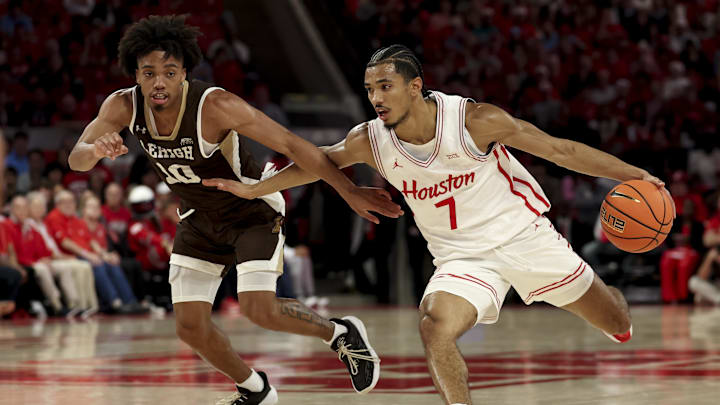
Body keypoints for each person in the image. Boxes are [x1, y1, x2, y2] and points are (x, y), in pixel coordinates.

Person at [205, 44, 673, 405]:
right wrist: (256, 189)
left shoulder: (476, 121)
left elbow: (562, 151)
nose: (375, 98)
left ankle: (610, 302)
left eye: (385, 86)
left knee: (616, 320)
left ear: (415, 86)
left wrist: (634, 175)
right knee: (434, 326)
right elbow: (321, 163)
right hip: (461, 259)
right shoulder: (369, 140)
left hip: (526, 239)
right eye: (370, 89)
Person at [67, 15, 400, 404]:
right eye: (149, 72)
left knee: (258, 309)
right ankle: (254, 388)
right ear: (136, 75)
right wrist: (96, 150)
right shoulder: (123, 105)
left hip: (250, 210)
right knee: (189, 327)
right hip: (197, 217)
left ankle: (339, 333)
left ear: (185, 73)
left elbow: (293, 146)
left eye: (169, 72)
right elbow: (77, 159)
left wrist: (347, 190)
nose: (159, 82)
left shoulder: (216, 105)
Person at [26, 191, 98, 318]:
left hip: (52, 258)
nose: (40, 209)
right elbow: (36, 249)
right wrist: (48, 258)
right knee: (74, 266)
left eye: (42, 206)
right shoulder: (29, 225)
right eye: (36, 206)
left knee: (84, 266)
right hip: (42, 261)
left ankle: (84, 305)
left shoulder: (43, 224)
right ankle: (59, 306)